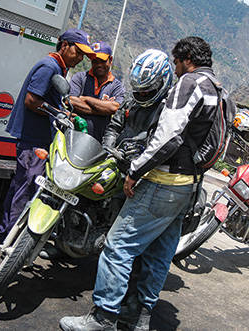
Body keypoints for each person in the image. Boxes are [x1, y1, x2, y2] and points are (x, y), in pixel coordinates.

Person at [60, 36, 220, 331]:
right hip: (187, 185)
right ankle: (140, 317)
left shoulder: (188, 84)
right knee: (159, 253)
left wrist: (135, 171)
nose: (176, 68)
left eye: (176, 62)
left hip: (161, 180)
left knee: (118, 247)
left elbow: (168, 137)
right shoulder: (217, 90)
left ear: (186, 59)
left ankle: (104, 317)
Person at [0, 28, 95, 245]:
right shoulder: (49, 66)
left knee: (21, 184)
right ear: (64, 45)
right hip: (33, 138)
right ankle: (9, 237)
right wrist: (59, 113)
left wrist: (62, 110)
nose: (80, 58)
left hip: (37, 137)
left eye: (83, 55)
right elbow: (32, 100)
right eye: (78, 52)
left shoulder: (58, 67)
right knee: (28, 184)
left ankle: (4, 233)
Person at [69, 41, 126, 142]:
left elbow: (115, 108)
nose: (99, 64)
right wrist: (102, 110)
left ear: (110, 60)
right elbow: (71, 101)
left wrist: (85, 99)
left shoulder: (117, 86)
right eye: (95, 61)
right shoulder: (80, 78)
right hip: (74, 138)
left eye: (102, 61)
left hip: (98, 144)